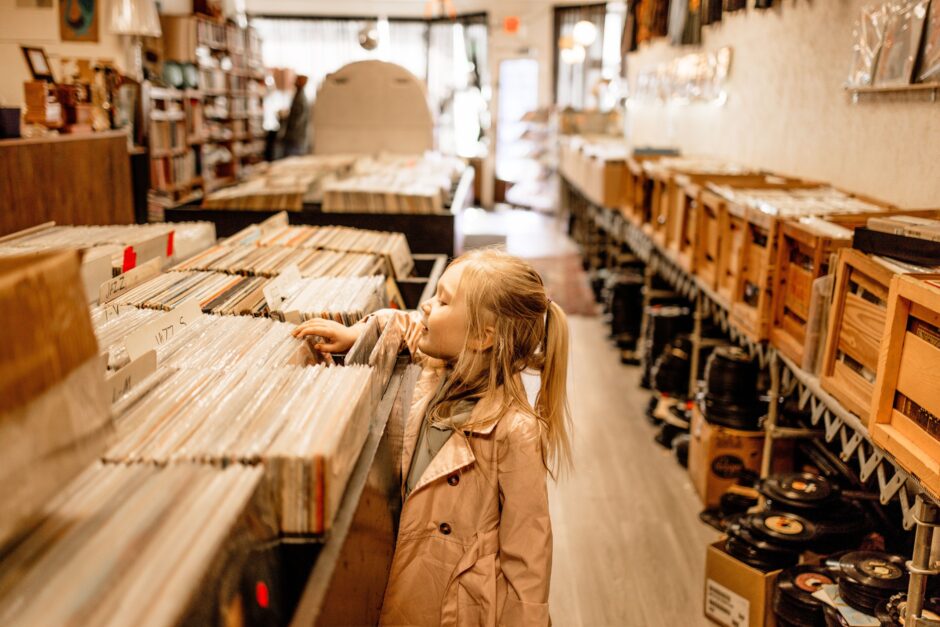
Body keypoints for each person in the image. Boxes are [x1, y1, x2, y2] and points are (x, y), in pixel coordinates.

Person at [292, 248, 572, 626]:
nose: (425, 306)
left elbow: (529, 553)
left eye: (443, 300)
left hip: (457, 608)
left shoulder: (514, 431)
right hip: (411, 582)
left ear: (482, 337)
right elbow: (405, 324)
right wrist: (360, 332)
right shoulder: (439, 365)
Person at [281, 74, 309, 156]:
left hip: (295, 137)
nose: (295, 82)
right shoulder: (298, 95)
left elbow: (297, 120)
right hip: (294, 137)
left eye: (297, 80)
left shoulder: (301, 98)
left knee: (292, 158)